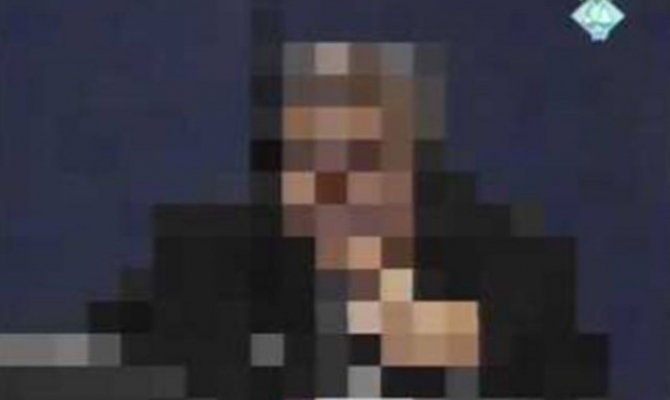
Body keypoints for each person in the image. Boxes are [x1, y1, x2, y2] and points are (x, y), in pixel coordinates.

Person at [87, 40, 610, 400]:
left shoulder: (514, 273)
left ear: (413, 168)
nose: (331, 188)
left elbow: (571, 380)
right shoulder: (203, 258)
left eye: (361, 158)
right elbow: (120, 366)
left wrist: (469, 356)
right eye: (309, 160)